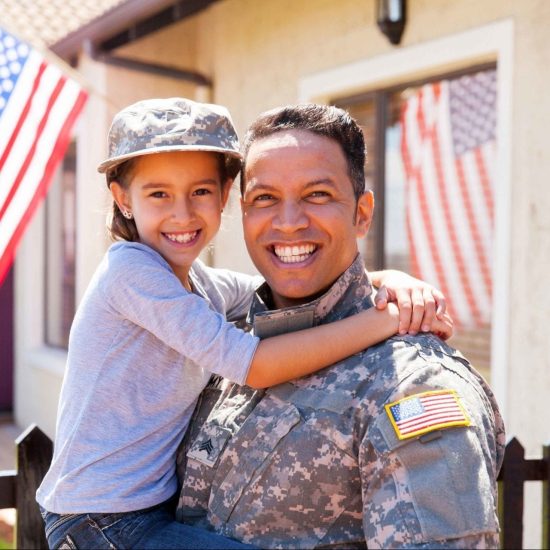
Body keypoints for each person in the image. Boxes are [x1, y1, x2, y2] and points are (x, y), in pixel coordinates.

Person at [36, 98, 452, 550]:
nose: (182, 213)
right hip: (102, 520)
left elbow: (290, 274)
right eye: (159, 194)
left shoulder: (198, 284)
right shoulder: (130, 273)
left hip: (142, 510)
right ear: (123, 199)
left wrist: (388, 278)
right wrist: (384, 320)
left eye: (200, 191)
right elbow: (252, 364)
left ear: (224, 195)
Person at [175, 103, 506, 548]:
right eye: (265, 198)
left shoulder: (412, 384)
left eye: (317, 195)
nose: (288, 222)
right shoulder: (223, 340)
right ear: (244, 213)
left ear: (362, 213)